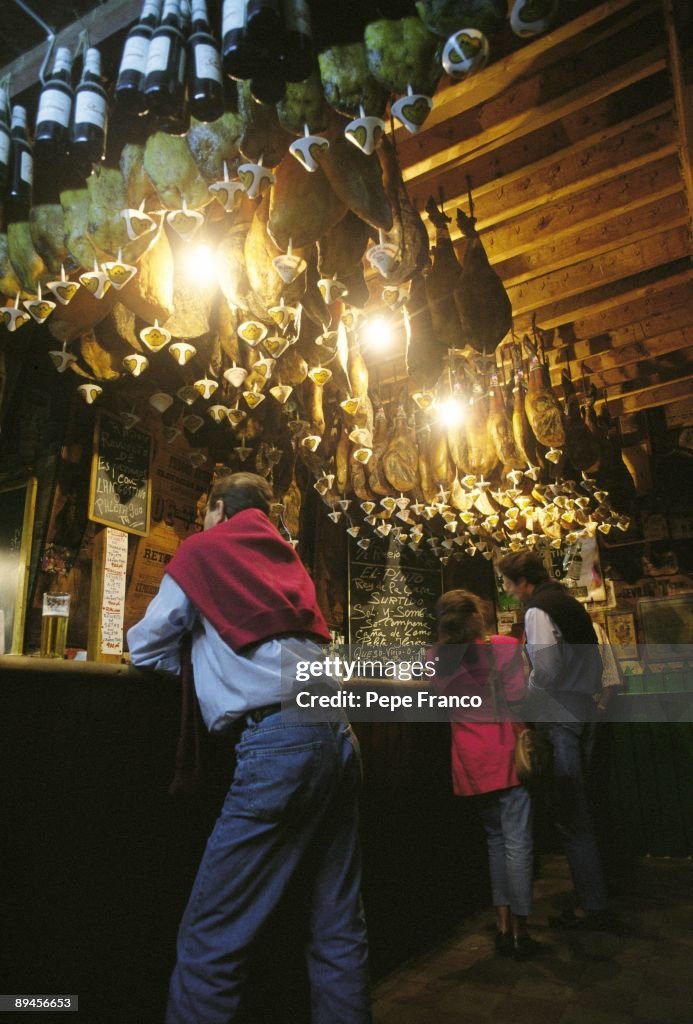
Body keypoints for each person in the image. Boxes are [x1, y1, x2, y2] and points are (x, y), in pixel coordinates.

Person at [127, 472, 371, 1024]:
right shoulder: (288, 560)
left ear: (216, 509)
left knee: (210, 941)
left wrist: (193, 662)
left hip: (281, 745)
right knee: (337, 929)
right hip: (338, 735)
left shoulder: (205, 550)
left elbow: (143, 647)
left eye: (204, 512)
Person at [497, 551, 612, 929]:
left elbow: (545, 668)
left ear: (520, 581)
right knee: (581, 808)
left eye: (508, 584)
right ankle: (593, 899)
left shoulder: (537, 610)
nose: (508, 592)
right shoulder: (566, 602)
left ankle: (594, 906)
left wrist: (524, 698)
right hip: (584, 710)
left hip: (560, 714)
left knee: (571, 814)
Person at [431, 590, 544, 961]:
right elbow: (517, 698)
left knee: (496, 842)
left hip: (470, 760)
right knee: (518, 845)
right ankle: (521, 931)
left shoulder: (435, 659)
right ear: (478, 617)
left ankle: (501, 925)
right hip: (507, 755)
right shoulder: (506, 647)